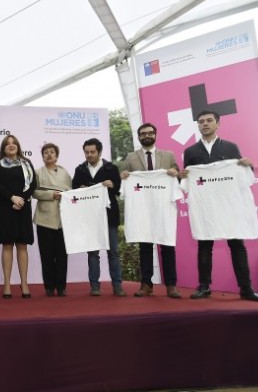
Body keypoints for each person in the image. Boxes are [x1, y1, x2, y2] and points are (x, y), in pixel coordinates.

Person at [180, 110, 258, 302]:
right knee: (204, 245)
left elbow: (245, 176)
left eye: (209, 121)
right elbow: (186, 180)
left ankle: (246, 288)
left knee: (237, 246)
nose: (205, 124)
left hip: (230, 207)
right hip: (205, 208)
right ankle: (204, 286)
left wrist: (247, 165)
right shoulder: (191, 152)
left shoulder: (230, 147)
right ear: (198, 125)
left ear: (217, 124)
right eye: (201, 121)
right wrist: (183, 176)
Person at [120, 123, 182, 299]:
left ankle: (171, 285)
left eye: (150, 133)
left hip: (163, 207)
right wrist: (124, 175)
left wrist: (174, 171)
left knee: (167, 245)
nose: (146, 135)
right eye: (143, 133)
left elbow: (177, 172)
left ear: (155, 135)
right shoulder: (131, 157)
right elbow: (126, 177)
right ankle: (146, 284)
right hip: (143, 209)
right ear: (139, 137)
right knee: (145, 246)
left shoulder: (169, 155)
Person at [72, 138, 126, 297]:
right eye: (86, 152)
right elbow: (73, 190)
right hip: (89, 217)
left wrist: (113, 185)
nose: (89, 155)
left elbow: (119, 191)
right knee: (93, 254)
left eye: (92, 152)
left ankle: (117, 286)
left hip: (109, 216)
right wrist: (80, 189)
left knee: (113, 252)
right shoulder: (80, 170)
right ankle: (94, 286)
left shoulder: (111, 168)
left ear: (100, 152)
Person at [0, 135, 37, 298]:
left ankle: (24, 283)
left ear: (18, 146)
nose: (11, 145)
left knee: (22, 245)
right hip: (6, 207)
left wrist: (22, 199)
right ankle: (7, 284)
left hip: (23, 207)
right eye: (7, 144)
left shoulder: (26, 163)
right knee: (7, 245)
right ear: (3, 148)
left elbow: (33, 184)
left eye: (14, 143)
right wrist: (12, 197)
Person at [33, 143, 72, 297]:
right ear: (43, 156)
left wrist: (64, 194)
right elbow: (34, 193)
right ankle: (49, 286)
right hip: (44, 219)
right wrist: (51, 195)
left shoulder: (65, 173)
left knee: (62, 255)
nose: (49, 155)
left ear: (56, 155)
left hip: (63, 220)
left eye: (52, 152)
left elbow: (71, 191)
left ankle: (61, 286)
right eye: (46, 153)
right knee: (46, 255)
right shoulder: (37, 172)